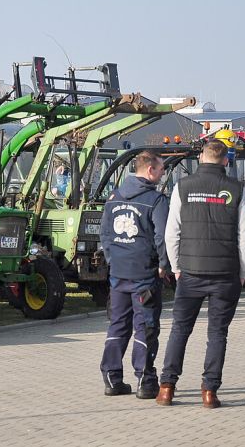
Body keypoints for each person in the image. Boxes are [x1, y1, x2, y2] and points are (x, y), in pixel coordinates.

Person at [156, 139, 245, 409]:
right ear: (226, 161)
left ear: (201, 158)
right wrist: (243, 271)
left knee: (179, 330)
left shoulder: (182, 187)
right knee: (218, 334)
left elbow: (171, 233)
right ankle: (209, 392)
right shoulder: (236, 189)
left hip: (190, 273)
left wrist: (176, 267)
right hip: (225, 275)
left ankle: (167, 387)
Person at [98, 151, 170, 399]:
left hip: (118, 274)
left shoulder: (113, 197)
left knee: (118, 324)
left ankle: (111, 377)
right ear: (150, 170)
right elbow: (162, 237)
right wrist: (163, 264)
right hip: (144, 275)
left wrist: (113, 260)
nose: (163, 174)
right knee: (146, 327)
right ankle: (145, 380)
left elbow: (105, 235)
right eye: (161, 170)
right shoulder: (156, 200)